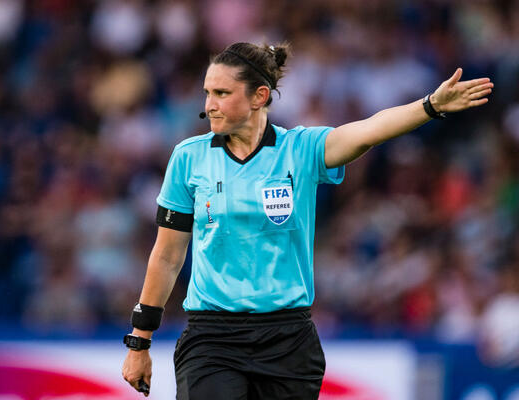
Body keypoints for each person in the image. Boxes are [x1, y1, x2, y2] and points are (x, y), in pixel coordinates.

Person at [121, 42, 493, 399]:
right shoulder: (189, 158)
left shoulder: (301, 150)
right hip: (212, 337)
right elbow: (168, 256)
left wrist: (430, 106)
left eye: (221, 93)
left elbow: (369, 130)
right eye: (207, 92)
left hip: (288, 340)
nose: (209, 105)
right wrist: (140, 339)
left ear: (259, 97)